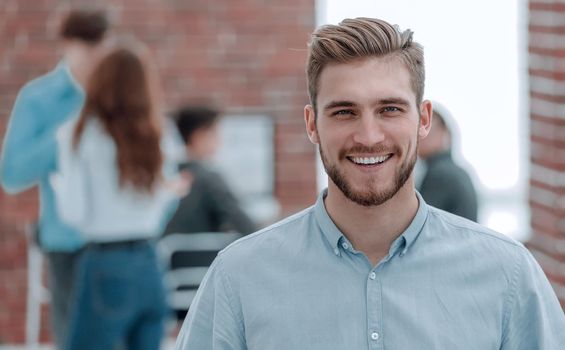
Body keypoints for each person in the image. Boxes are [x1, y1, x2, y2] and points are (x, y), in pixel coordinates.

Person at [175, 17, 565, 350]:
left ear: (423, 119)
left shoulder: (507, 275)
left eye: (390, 109)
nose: (368, 135)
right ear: (312, 124)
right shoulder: (239, 277)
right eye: (344, 112)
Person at [51, 41, 182, 350]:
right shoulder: (161, 133)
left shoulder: (80, 133)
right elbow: (165, 200)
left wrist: (58, 183)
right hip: (151, 263)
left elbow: (74, 213)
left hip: (105, 265)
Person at [0, 9, 110, 349]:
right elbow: (12, 174)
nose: (93, 56)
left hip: (123, 240)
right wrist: (66, 136)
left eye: (99, 46)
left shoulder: (120, 93)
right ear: (66, 45)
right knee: (76, 339)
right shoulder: (39, 98)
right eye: (85, 46)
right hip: (69, 242)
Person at [164, 105, 257, 236]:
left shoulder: (168, 176)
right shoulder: (208, 179)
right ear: (199, 137)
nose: (220, 140)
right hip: (204, 255)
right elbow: (244, 224)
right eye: (216, 133)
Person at [417, 102, 478, 221]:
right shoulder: (459, 171)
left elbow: (422, 223)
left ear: (445, 133)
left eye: (429, 130)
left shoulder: (439, 174)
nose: (421, 136)